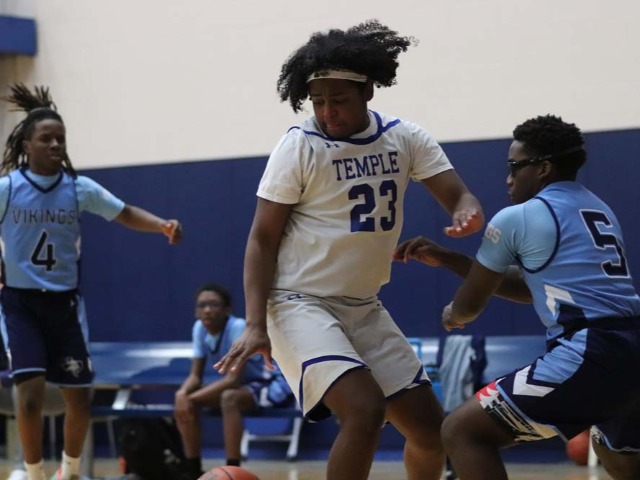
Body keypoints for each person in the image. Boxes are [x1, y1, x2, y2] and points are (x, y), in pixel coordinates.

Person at [214, 20, 484, 480]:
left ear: (368, 90)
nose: (327, 112)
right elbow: (261, 239)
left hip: (362, 305)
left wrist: (466, 211)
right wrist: (256, 323)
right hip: (298, 302)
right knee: (364, 408)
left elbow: (459, 195)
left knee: (430, 432)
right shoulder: (299, 146)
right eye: (317, 101)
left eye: (338, 100)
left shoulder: (405, 137)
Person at [393, 114, 640, 480]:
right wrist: (448, 258)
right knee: (619, 456)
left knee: (461, 431)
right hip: (631, 346)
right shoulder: (596, 207)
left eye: (514, 167)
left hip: (592, 350)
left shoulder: (517, 217)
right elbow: (530, 288)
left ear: (543, 168)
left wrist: (453, 314)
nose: (508, 178)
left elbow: (469, 306)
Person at [0, 84, 183, 480]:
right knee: (28, 396)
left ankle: (69, 471)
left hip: (64, 304)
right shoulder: (8, 189)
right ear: (27, 145)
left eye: (60, 138)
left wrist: (161, 225)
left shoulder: (77, 189)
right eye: (46, 139)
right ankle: (34, 473)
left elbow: (124, 212)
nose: (55, 144)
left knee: (79, 398)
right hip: (21, 304)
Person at [174, 283, 294, 480]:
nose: (207, 310)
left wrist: (191, 399)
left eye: (213, 304)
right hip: (245, 385)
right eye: (202, 305)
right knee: (184, 403)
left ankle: (233, 469)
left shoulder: (237, 327)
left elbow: (233, 380)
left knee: (229, 398)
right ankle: (192, 469)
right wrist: (182, 394)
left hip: (271, 383)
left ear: (227, 309)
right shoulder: (199, 328)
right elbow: (195, 376)